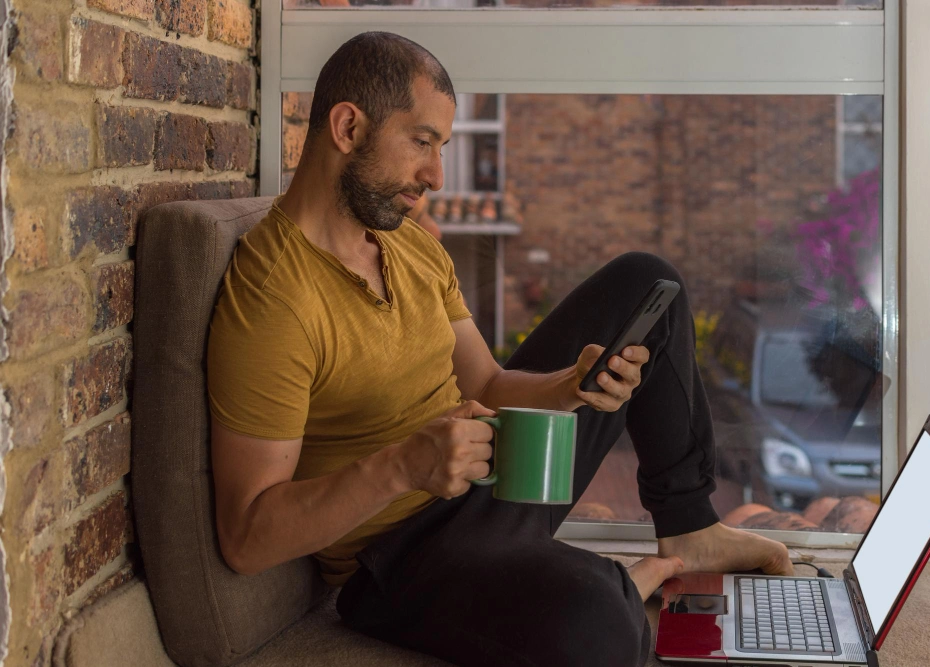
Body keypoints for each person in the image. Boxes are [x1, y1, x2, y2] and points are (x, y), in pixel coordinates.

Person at [206, 31, 793, 667]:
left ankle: (689, 526)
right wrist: (404, 466)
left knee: (649, 283)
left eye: (441, 149)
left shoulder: (409, 246)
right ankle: (623, 585)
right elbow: (246, 537)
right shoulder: (273, 295)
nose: (434, 175)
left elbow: (486, 383)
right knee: (597, 622)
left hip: (492, 478)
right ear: (348, 127)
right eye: (422, 143)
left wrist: (574, 383)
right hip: (402, 558)